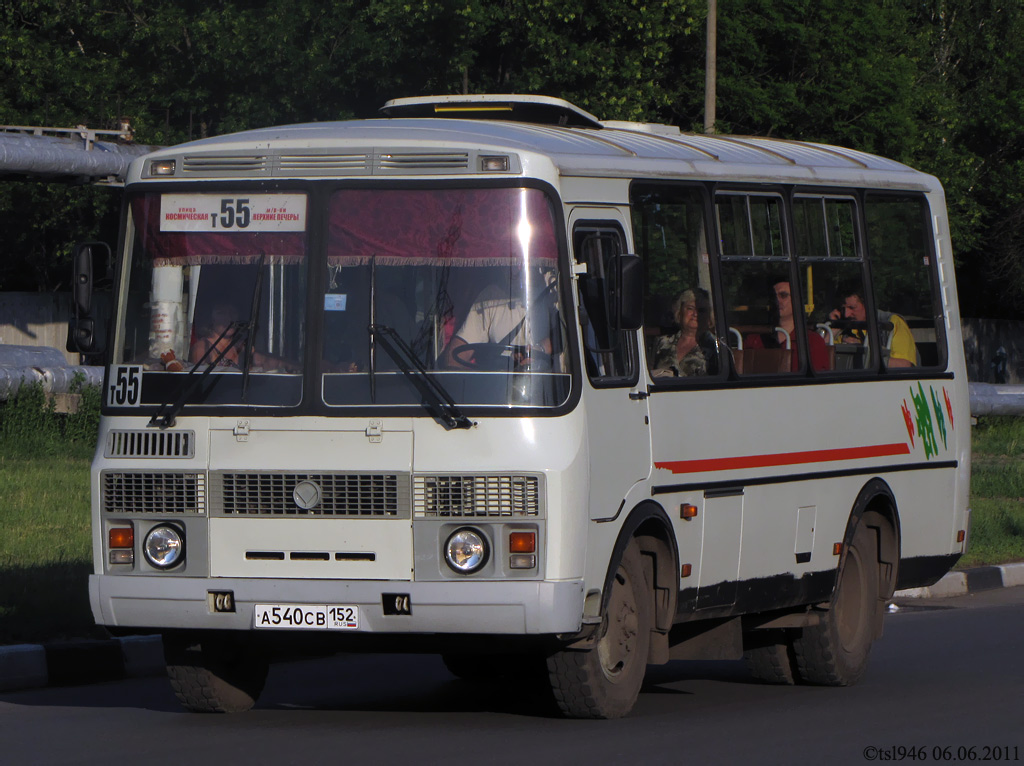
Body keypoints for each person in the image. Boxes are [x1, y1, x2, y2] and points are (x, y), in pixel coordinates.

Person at [443, 268, 556, 371]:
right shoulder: (491, 297)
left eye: (520, 263)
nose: (515, 270)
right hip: (501, 386)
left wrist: (538, 350)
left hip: (549, 384)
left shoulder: (555, 293)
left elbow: (565, 337)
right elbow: (457, 354)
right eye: (511, 262)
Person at [746, 278, 830, 372]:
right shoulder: (754, 340)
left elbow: (816, 383)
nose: (777, 300)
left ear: (797, 300)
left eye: (783, 295)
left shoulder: (812, 342)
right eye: (773, 296)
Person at [190, 303, 297, 372]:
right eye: (222, 313)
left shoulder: (241, 347)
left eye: (232, 313)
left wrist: (293, 367)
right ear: (212, 319)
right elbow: (200, 382)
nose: (229, 318)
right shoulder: (203, 347)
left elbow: (270, 361)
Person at [829, 288, 916, 368]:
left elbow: (905, 365)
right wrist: (833, 326)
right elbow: (823, 359)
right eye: (843, 309)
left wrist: (864, 352)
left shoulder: (891, 323)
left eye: (852, 308)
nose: (846, 314)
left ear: (868, 305)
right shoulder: (845, 326)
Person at [650, 288, 718, 377]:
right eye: (690, 308)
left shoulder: (717, 347)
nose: (695, 314)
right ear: (679, 312)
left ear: (709, 317)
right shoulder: (661, 342)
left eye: (701, 310)